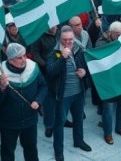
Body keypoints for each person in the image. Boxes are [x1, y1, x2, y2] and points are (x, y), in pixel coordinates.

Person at [0, 43, 47, 161]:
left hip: (29, 120)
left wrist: (38, 100)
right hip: (8, 123)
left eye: (24, 55)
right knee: (7, 152)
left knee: (31, 150)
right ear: (10, 60)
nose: (24, 59)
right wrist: (1, 88)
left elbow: (43, 86)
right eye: (19, 57)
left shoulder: (33, 67)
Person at [46, 26, 92, 161]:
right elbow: (50, 72)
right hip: (63, 96)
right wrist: (62, 58)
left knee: (78, 119)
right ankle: (58, 151)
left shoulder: (78, 50)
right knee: (59, 123)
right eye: (65, 40)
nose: (68, 42)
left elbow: (86, 66)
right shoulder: (53, 53)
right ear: (60, 39)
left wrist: (85, 73)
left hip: (78, 93)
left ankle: (78, 141)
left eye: (70, 39)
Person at [95, 21, 121, 145]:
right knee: (108, 109)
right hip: (108, 82)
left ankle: (120, 128)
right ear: (111, 33)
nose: (120, 37)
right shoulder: (101, 43)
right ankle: (108, 133)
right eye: (117, 34)